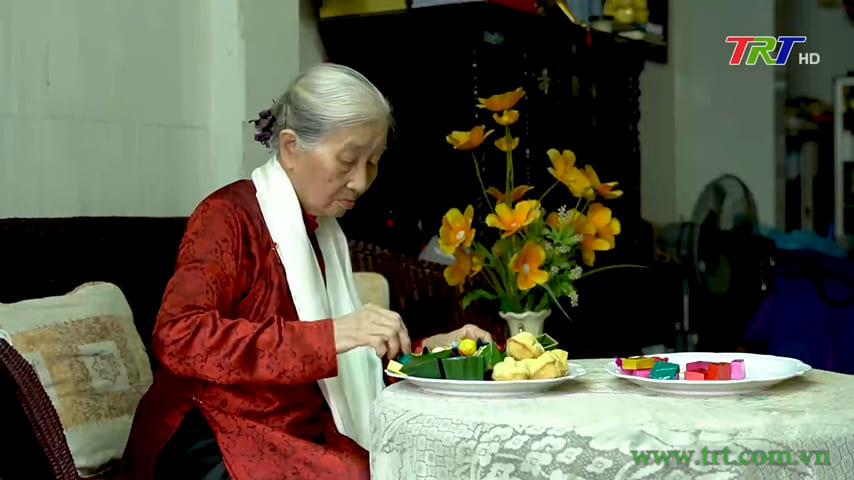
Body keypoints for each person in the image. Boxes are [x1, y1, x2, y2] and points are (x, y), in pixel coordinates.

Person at [122, 63, 493, 480]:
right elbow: (179, 337)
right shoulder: (228, 216)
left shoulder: (321, 231)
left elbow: (350, 367)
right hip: (212, 432)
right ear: (291, 147)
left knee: (434, 455)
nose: (360, 182)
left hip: (297, 426)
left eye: (372, 163)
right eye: (349, 160)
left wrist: (434, 350)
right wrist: (336, 333)